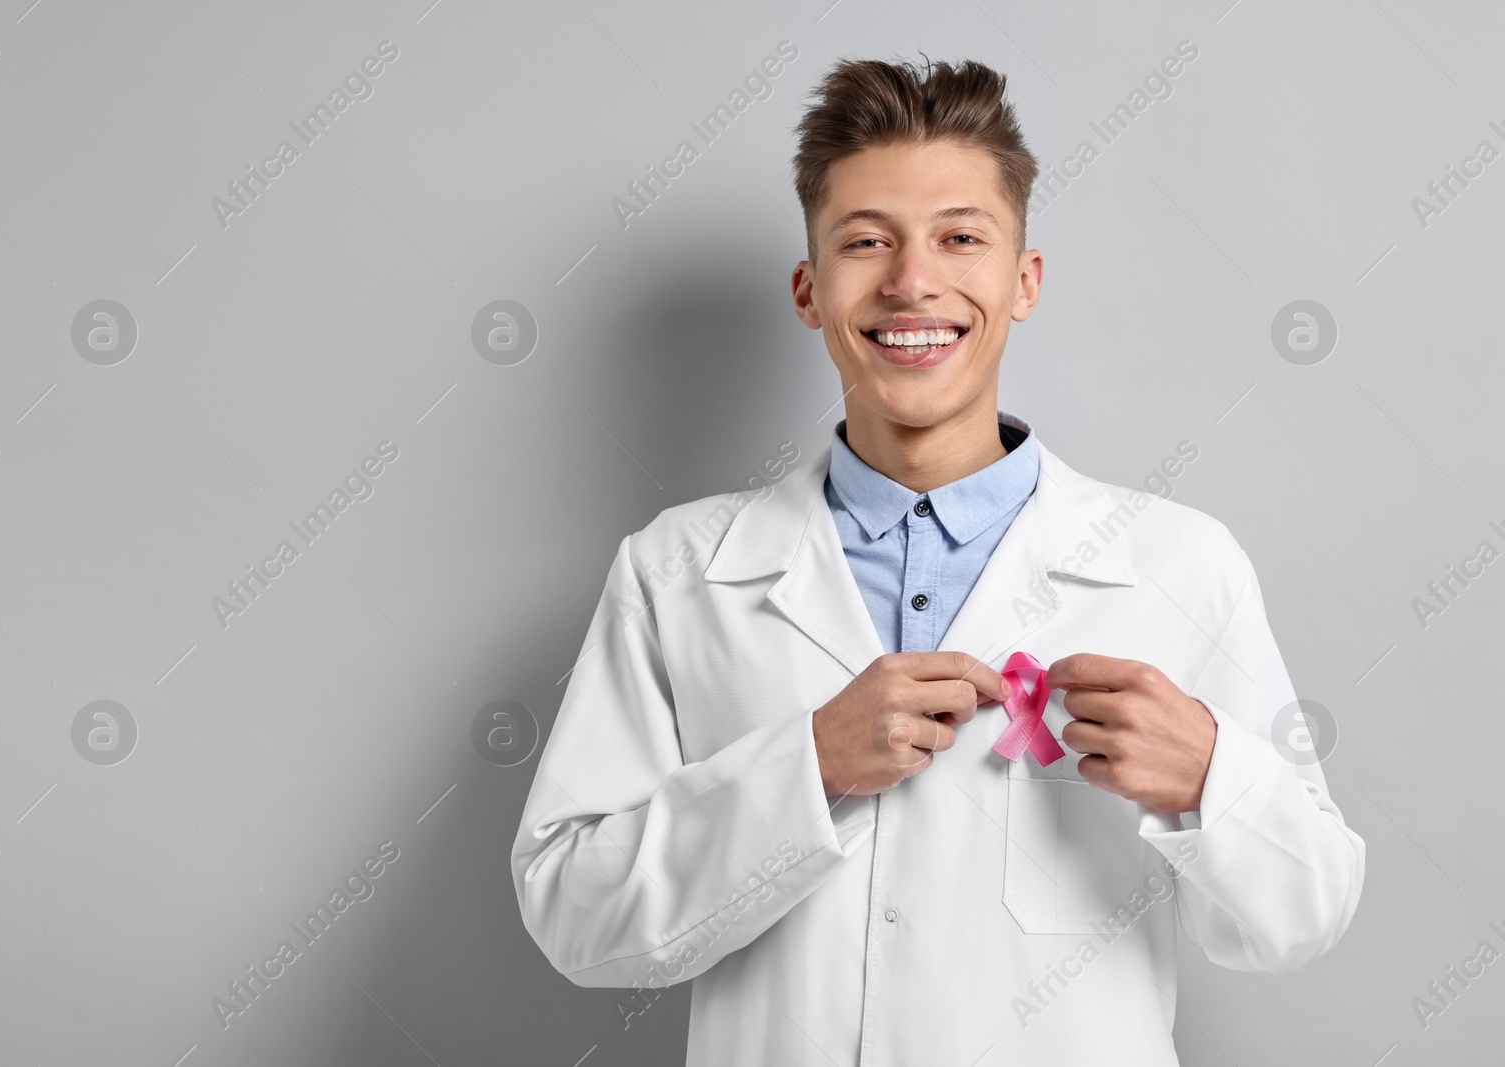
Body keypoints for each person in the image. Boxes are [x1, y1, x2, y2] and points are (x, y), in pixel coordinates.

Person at [511, 55, 1364, 1066]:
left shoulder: (1175, 564)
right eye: (865, 241)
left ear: (1023, 279)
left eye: (961, 237)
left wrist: (1209, 775)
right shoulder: (676, 572)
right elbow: (575, 915)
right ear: (809, 287)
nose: (913, 280)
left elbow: (1300, 915)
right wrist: (809, 764)